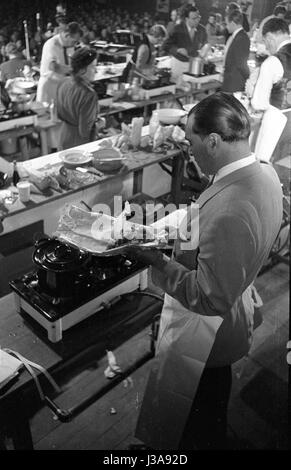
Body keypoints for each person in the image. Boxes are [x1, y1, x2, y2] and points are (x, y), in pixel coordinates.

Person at [127, 92, 283, 450]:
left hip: (210, 329)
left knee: (195, 408)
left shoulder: (231, 208)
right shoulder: (264, 172)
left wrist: (155, 260)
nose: (189, 150)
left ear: (213, 140)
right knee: (210, 402)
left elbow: (208, 296)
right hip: (236, 297)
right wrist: (179, 225)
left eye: (191, 141)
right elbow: (230, 233)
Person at [56, 47, 98, 150]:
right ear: (82, 69)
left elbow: (59, 114)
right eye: (93, 67)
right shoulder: (89, 94)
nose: (96, 70)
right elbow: (84, 132)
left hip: (63, 137)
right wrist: (98, 124)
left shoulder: (63, 82)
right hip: (79, 144)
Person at [36, 21, 82, 105]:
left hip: (63, 86)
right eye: (74, 41)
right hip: (50, 86)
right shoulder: (51, 44)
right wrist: (74, 70)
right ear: (66, 35)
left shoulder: (70, 45)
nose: (75, 44)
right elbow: (54, 67)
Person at [252, 18, 291, 111]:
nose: (266, 47)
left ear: (269, 38)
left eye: (265, 41)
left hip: (280, 120)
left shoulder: (273, 61)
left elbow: (259, 104)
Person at [221, 9, 250, 93]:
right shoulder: (237, 36)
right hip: (230, 80)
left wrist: (249, 77)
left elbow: (241, 64)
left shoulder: (242, 38)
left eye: (227, 24)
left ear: (233, 23)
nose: (226, 27)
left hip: (235, 83)